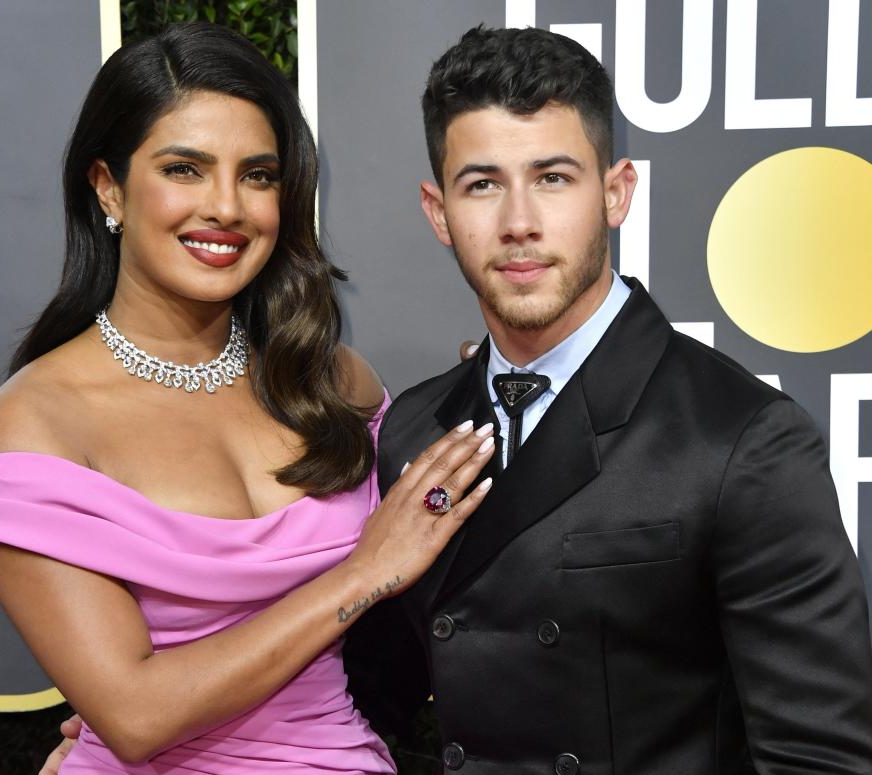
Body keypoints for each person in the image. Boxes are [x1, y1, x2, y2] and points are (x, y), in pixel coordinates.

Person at [0, 23, 496, 774]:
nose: (227, 207)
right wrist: (361, 573)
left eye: (258, 175)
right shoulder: (33, 424)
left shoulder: (331, 379)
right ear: (108, 187)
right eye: (185, 169)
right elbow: (139, 715)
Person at [341, 24, 872, 774]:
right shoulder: (413, 433)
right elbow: (358, 710)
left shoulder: (743, 439)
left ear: (616, 192)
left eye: (553, 177)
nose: (519, 221)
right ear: (438, 212)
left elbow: (822, 759)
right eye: (482, 183)